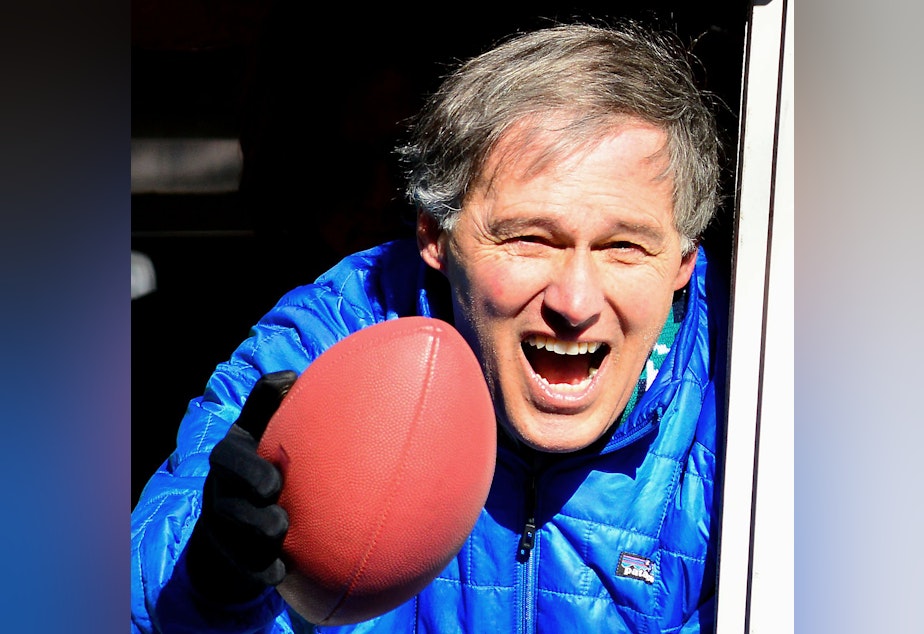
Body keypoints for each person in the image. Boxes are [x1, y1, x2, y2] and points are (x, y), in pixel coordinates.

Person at [131, 21, 728, 634]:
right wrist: (209, 587)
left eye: (623, 247)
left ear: (684, 260)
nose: (574, 302)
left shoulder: (758, 394)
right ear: (435, 236)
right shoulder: (325, 342)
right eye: (529, 239)